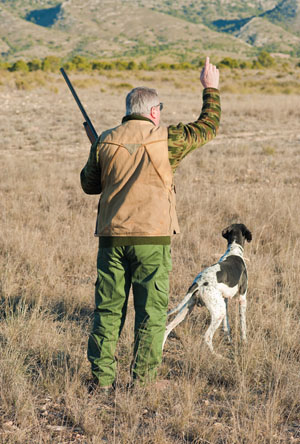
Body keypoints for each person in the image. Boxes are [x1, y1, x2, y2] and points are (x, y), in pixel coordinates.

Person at [80, 56, 220, 390]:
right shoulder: (167, 139)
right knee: (151, 313)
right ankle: (142, 383)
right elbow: (208, 127)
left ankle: (101, 381)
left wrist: (100, 149)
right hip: (152, 242)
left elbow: (89, 185)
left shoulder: (106, 141)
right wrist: (210, 89)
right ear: (154, 111)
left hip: (112, 241)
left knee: (108, 311)